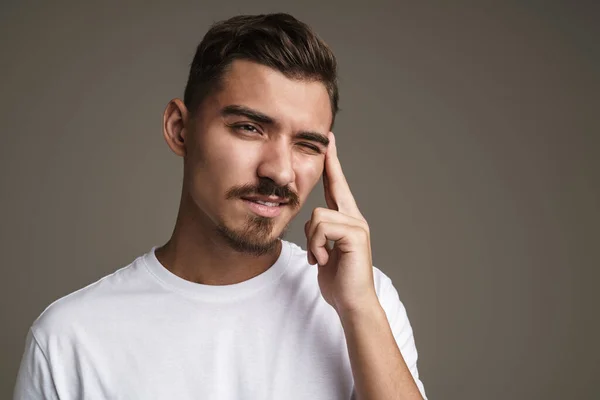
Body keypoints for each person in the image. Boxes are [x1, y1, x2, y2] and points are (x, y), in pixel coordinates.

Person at [13, 13, 427, 400]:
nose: (280, 172)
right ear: (180, 129)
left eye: (307, 144)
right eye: (249, 128)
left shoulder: (367, 303)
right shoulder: (69, 339)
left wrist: (359, 311)